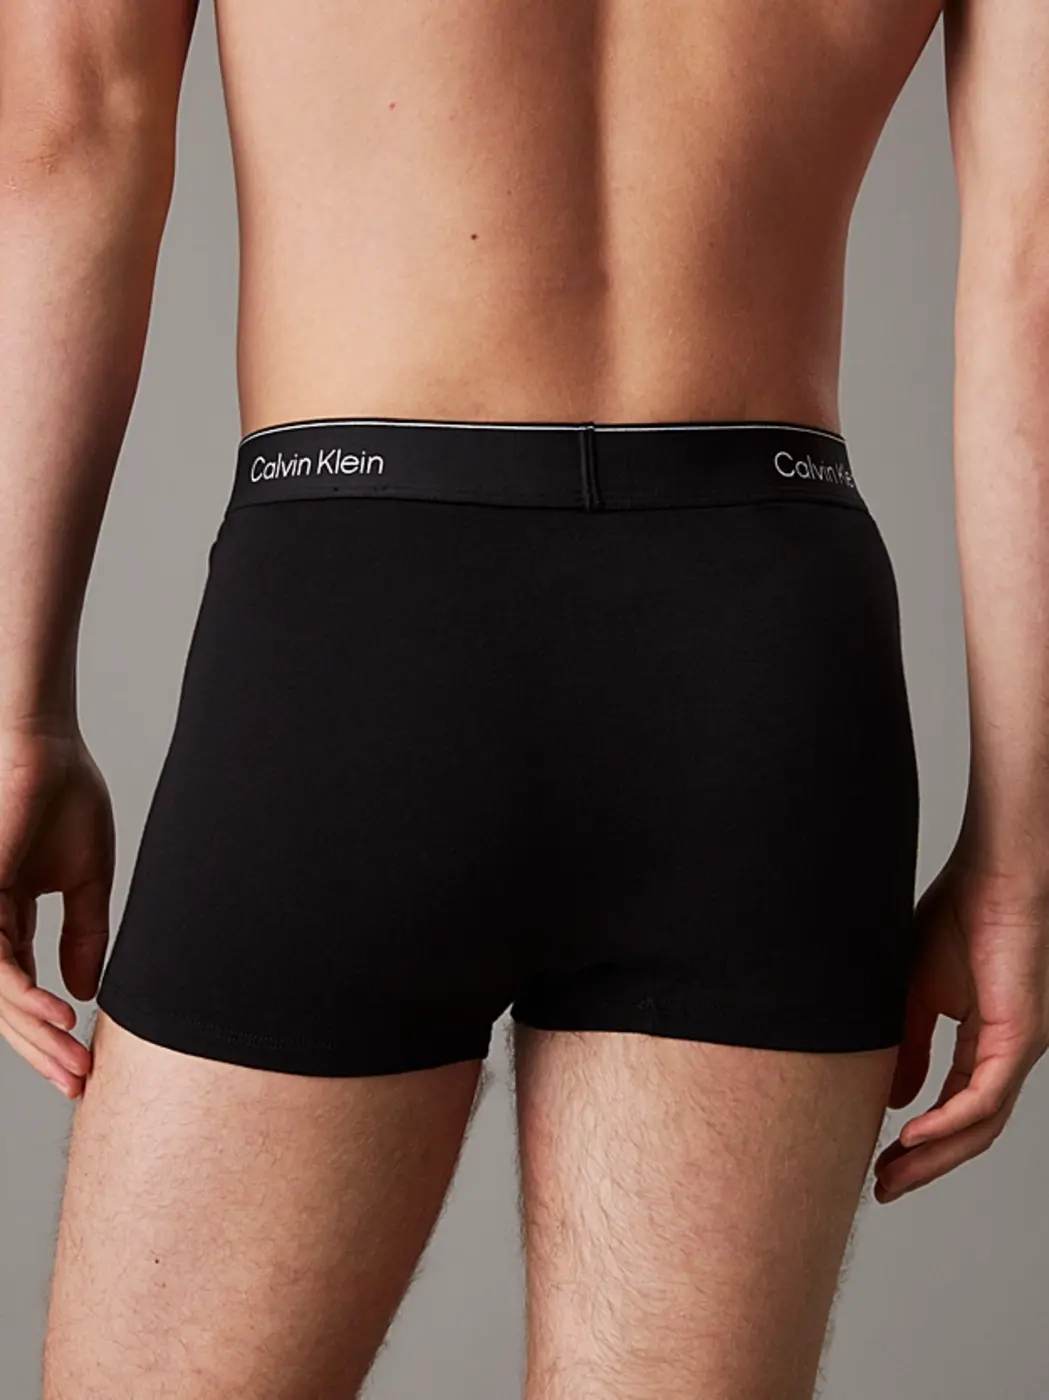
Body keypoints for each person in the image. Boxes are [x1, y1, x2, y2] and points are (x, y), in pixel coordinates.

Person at [1, 1, 1047, 1395]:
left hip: (358, 634)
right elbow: (1034, 273)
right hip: (767, 660)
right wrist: (1022, 853)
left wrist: (17, 715)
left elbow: (64, 139)